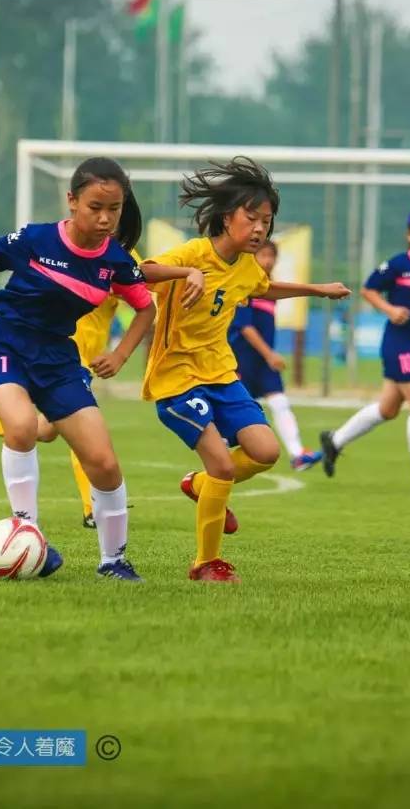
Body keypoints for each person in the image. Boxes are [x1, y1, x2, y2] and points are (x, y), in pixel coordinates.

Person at [0, 158, 156, 582]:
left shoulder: (115, 261)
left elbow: (146, 307)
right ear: (72, 201)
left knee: (104, 463)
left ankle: (113, 561)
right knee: (19, 426)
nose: (105, 218)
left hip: (58, 360)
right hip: (5, 345)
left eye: (114, 209)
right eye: (95, 207)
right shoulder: (36, 238)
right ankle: (28, 532)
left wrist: (121, 354)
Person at [140, 157, 349, 583]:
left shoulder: (248, 266)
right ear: (226, 217)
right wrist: (188, 272)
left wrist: (317, 290)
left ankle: (200, 486)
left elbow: (264, 287)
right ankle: (206, 563)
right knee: (222, 465)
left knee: (266, 452)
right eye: (251, 218)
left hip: (221, 375)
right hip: (177, 380)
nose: (259, 229)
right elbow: (142, 271)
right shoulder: (195, 252)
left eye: (266, 222)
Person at [0, 244, 145, 531]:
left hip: (90, 353)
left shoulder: (124, 257)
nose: (104, 223)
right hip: (67, 352)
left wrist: (187, 275)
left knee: (46, 431)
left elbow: (146, 284)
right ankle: (91, 508)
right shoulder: (70, 246)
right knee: (83, 433)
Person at [319, 206, 410, 493]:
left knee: (388, 408)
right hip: (400, 340)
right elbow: (368, 289)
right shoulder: (398, 264)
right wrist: (390, 309)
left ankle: (335, 440)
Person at [227, 238, 322, 471]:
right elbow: (245, 328)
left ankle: (297, 454)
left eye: (272, 256)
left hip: (263, 361)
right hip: (242, 359)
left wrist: (268, 356)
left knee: (280, 402)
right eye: (263, 255)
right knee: (238, 411)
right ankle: (220, 453)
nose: (268, 261)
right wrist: (269, 354)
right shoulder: (246, 285)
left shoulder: (270, 289)